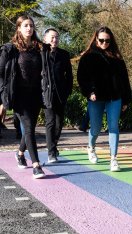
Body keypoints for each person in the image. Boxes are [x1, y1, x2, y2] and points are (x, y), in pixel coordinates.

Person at [0, 15, 52, 179]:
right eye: (25, 26)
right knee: (29, 129)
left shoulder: (40, 48)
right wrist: (3, 94)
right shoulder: (10, 49)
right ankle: (36, 165)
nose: (29, 28)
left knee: (29, 130)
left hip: (36, 94)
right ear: (19, 28)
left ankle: (20, 153)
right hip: (19, 95)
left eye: (31, 25)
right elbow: (1, 73)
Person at [77, 26, 132, 171]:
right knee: (96, 127)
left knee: (113, 126)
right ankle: (91, 146)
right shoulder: (87, 57)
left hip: (115, 97)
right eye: (101, 40)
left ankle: (113, 159)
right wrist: (89, 92)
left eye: (107, 40)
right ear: (96, 39)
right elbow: (82, 78)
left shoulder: (117, 58)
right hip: (96, 98)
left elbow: (125, 80)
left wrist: (126, 100)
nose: (104, 43)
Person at [42, 28, 73, 162]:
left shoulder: (64, 54)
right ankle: (51, 153)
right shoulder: (41, 54)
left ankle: (53, 146)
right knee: (50, 122)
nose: (55, 40)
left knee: (59, 123)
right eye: (52, 37)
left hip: (61, 94)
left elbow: (69, 76)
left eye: (57, 38)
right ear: (45, 39)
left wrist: (67, 91)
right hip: (46, 93)